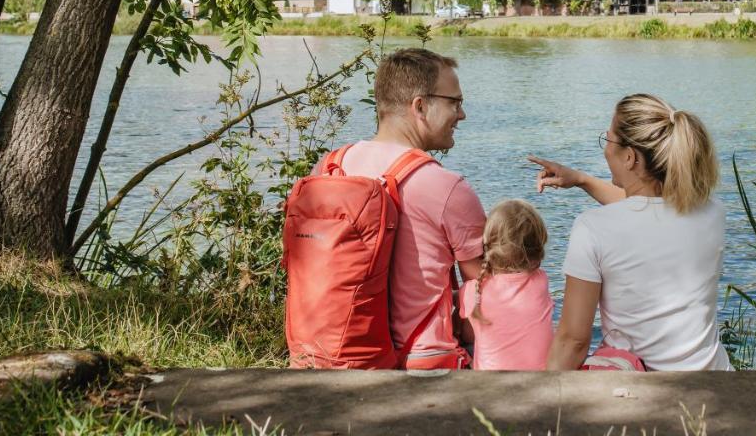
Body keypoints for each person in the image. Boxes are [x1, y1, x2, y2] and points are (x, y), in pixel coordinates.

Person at [529, 93, 730, 371]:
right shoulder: (713, 213)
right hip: (713, 381)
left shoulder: (593, 228)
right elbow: (646, 212)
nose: (605, 148)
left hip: (638, 392)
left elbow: (573, 340)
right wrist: (582, 180)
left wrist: (546, 398)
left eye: (608, 140)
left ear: (630, 157)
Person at [313, 48, 486, 369]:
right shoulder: (446, 187)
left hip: (330, 352)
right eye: (455, 103)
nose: (462, 115)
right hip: (421, 359)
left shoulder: (328, 168)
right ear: (420, 106)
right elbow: (488, 293)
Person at [458, 199, 554, 370]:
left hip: (490, 385)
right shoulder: (541, 281)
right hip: (539, 380)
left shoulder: (473, 290)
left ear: (487, 246)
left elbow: (468, 335)